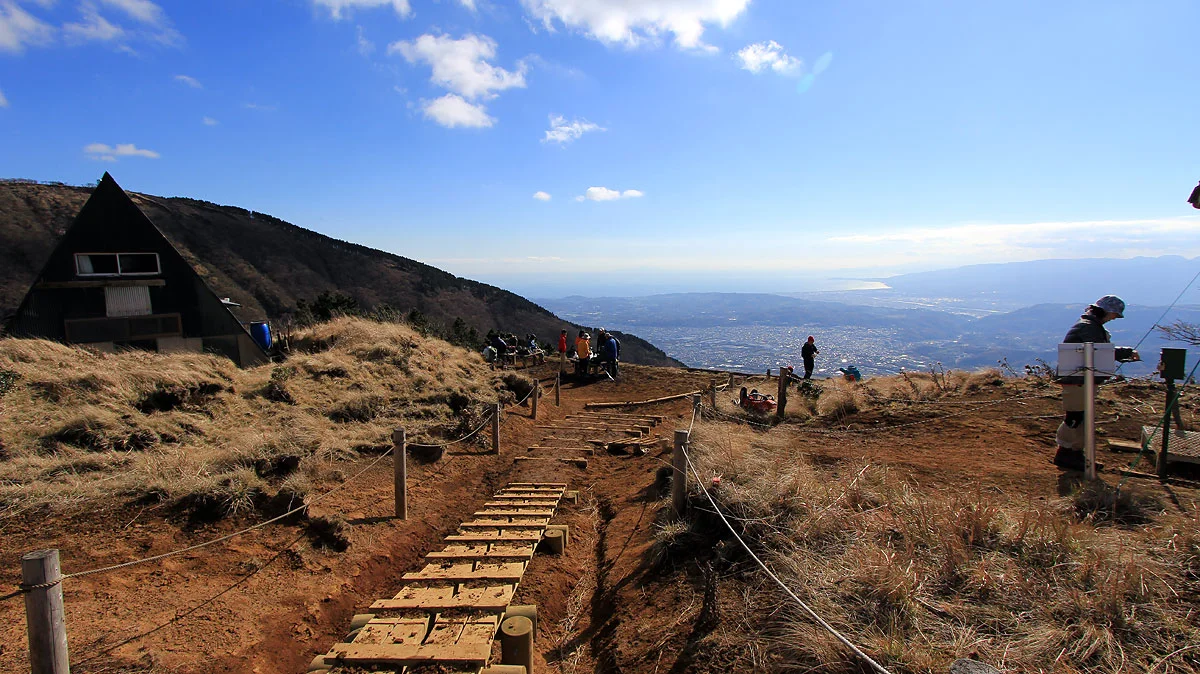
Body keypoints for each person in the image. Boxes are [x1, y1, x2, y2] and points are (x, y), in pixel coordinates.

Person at [1054, 295, 1140, 470]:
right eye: (1114, 314)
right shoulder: (1089, 327)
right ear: (1106, 311)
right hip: (1077, 380)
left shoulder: (1089, 325)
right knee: (1075, 416)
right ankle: (1066, 452)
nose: (1114, 318)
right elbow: (1099, 351)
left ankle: (1075, 453)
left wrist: (1124, 352)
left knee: (1080, 416)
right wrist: (1126, 352)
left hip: (1079, 379)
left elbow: (1098, 350)